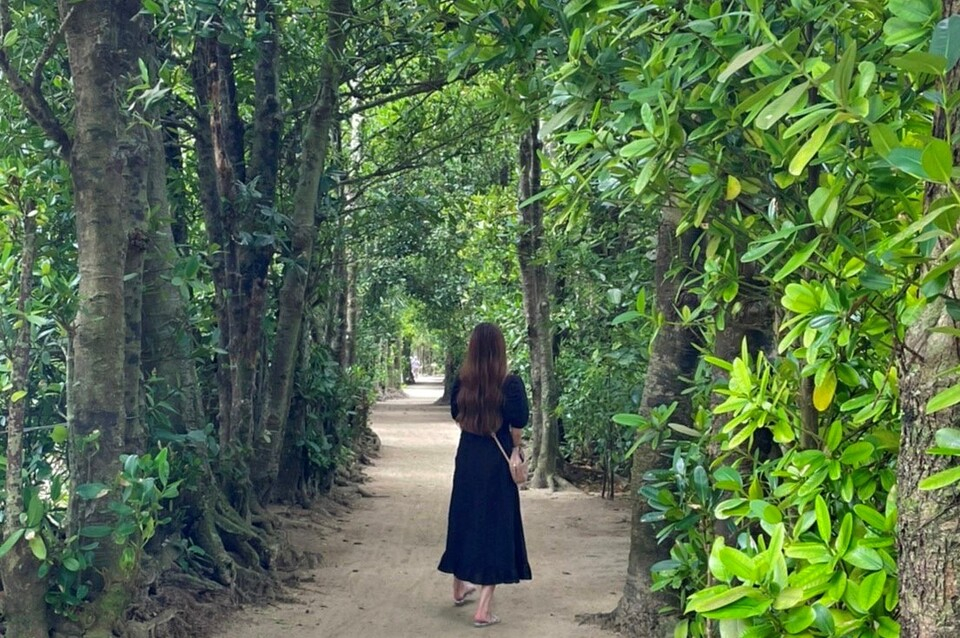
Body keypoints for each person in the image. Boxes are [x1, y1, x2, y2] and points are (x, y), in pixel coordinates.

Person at [438, 322, 532, 628]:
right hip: (496, 462)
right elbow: (517, 424)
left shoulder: (462, 382)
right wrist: (516, 450)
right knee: (495, 526)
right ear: (500, 349)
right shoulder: (510, 383)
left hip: (468, 458)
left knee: (464, 518)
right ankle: (483, 609)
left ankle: (459, 586)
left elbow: (457, 416)